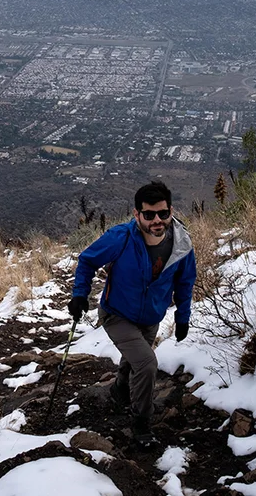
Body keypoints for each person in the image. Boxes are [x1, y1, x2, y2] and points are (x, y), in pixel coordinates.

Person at [68, 180, 197, 445]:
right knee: (147, 363)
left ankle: (119, 391)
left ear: (171, 210)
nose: (157, 220)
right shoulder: (121, 238)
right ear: (137, 214)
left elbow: (185, 283)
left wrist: (182, 317)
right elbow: (87, 260)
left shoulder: (181, 244)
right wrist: (80, 294)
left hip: (151, 317)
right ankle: (141, 424)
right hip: (117, 314)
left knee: (133, 362)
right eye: (149, 215)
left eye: (163, 213)